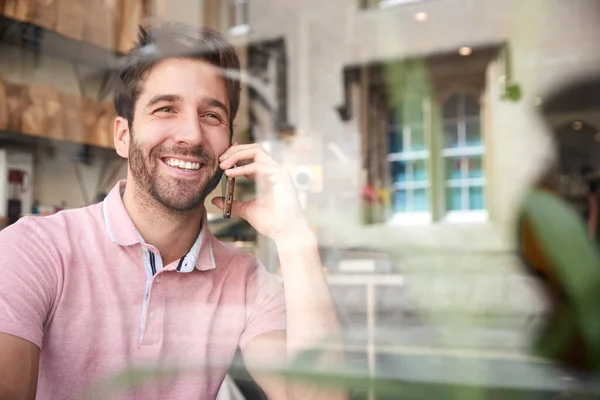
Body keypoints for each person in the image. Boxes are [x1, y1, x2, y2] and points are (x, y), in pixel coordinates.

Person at [0, 23, 343, 400]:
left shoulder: (245, 282)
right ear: (122, 135)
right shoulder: (33, 251)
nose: (192, 135)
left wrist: (296, 239)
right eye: (166, 109)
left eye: (212, 116)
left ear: (230, 143)